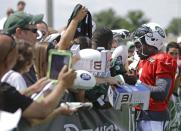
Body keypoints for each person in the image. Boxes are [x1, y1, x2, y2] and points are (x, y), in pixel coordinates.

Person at [0, 33, 76, 120]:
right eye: (15, 52)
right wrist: (63, 84)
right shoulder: (7, 86)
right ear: (9, 58)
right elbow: (42, 111)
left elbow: (11, 100)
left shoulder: (4, 90)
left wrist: (32, 89)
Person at [132, 22, 177, 131]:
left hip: (153, 118)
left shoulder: (162, 59)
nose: (136, 49)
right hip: (140, 114)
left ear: (152, 41)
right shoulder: (145, 60)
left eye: (138, 45)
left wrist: (136, 83)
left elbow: (161, 93)